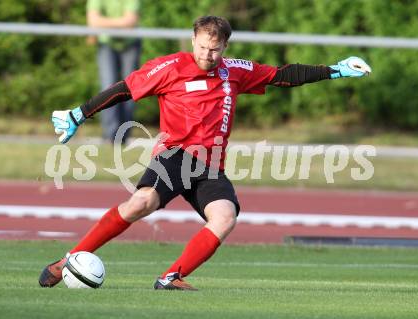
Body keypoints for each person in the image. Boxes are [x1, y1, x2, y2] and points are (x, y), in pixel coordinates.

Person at [40, 16, 371, 290]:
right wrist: (80, 113)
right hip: (175, 156)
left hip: (211, 166)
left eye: (214, 50)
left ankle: (172, 277)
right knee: (141, 203)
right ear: (193, 39)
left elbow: (283, 76)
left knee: (225, 217)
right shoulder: (169, 67)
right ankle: (69, 259)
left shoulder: (234, 70)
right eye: (201, 47)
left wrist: (335, 70)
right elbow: (125, 89)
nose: (206, 55)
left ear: (224, 46)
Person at [87, 0, 141, 144]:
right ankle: (110, 136)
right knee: (108, 88)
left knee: (131, 89)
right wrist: (121, 23)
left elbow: (131, 20)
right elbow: (92, 19)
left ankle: (124, 135)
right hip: (106, 44)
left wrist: (103, 23)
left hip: (130, 44)